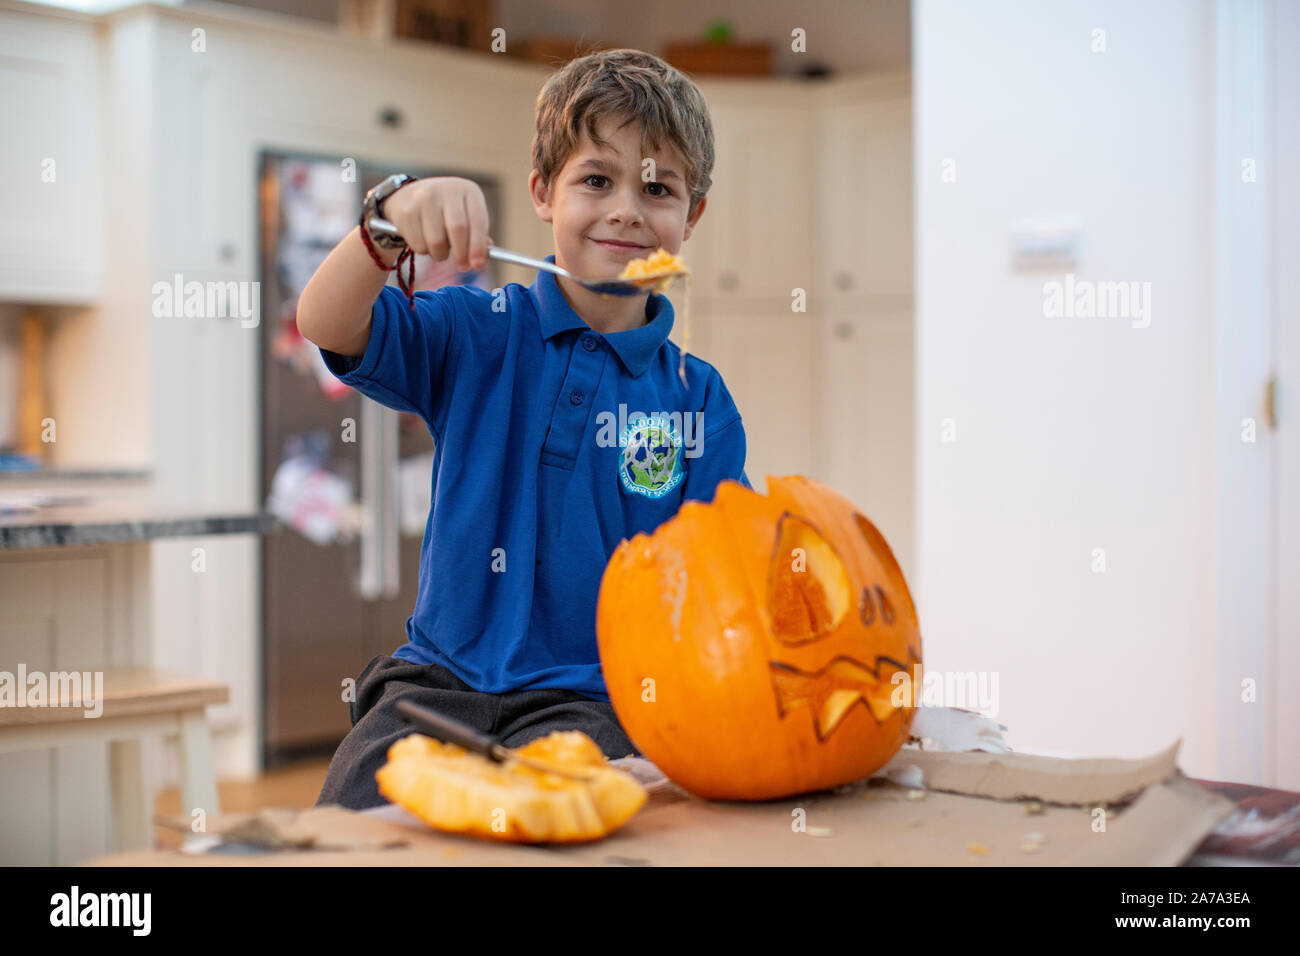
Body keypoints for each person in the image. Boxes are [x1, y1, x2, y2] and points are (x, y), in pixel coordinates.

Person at [297, 48, 750, 810]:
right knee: (348, 829)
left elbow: (709, 586)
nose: (628, 210)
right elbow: (326, 322)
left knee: (578, 831)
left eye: (659, 187)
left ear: (690, 217)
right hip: (434, 688)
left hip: (597, 705)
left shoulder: (698, 399)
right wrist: (385, 226)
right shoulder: (479, 330)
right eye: (596, 180)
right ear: (543, 192)